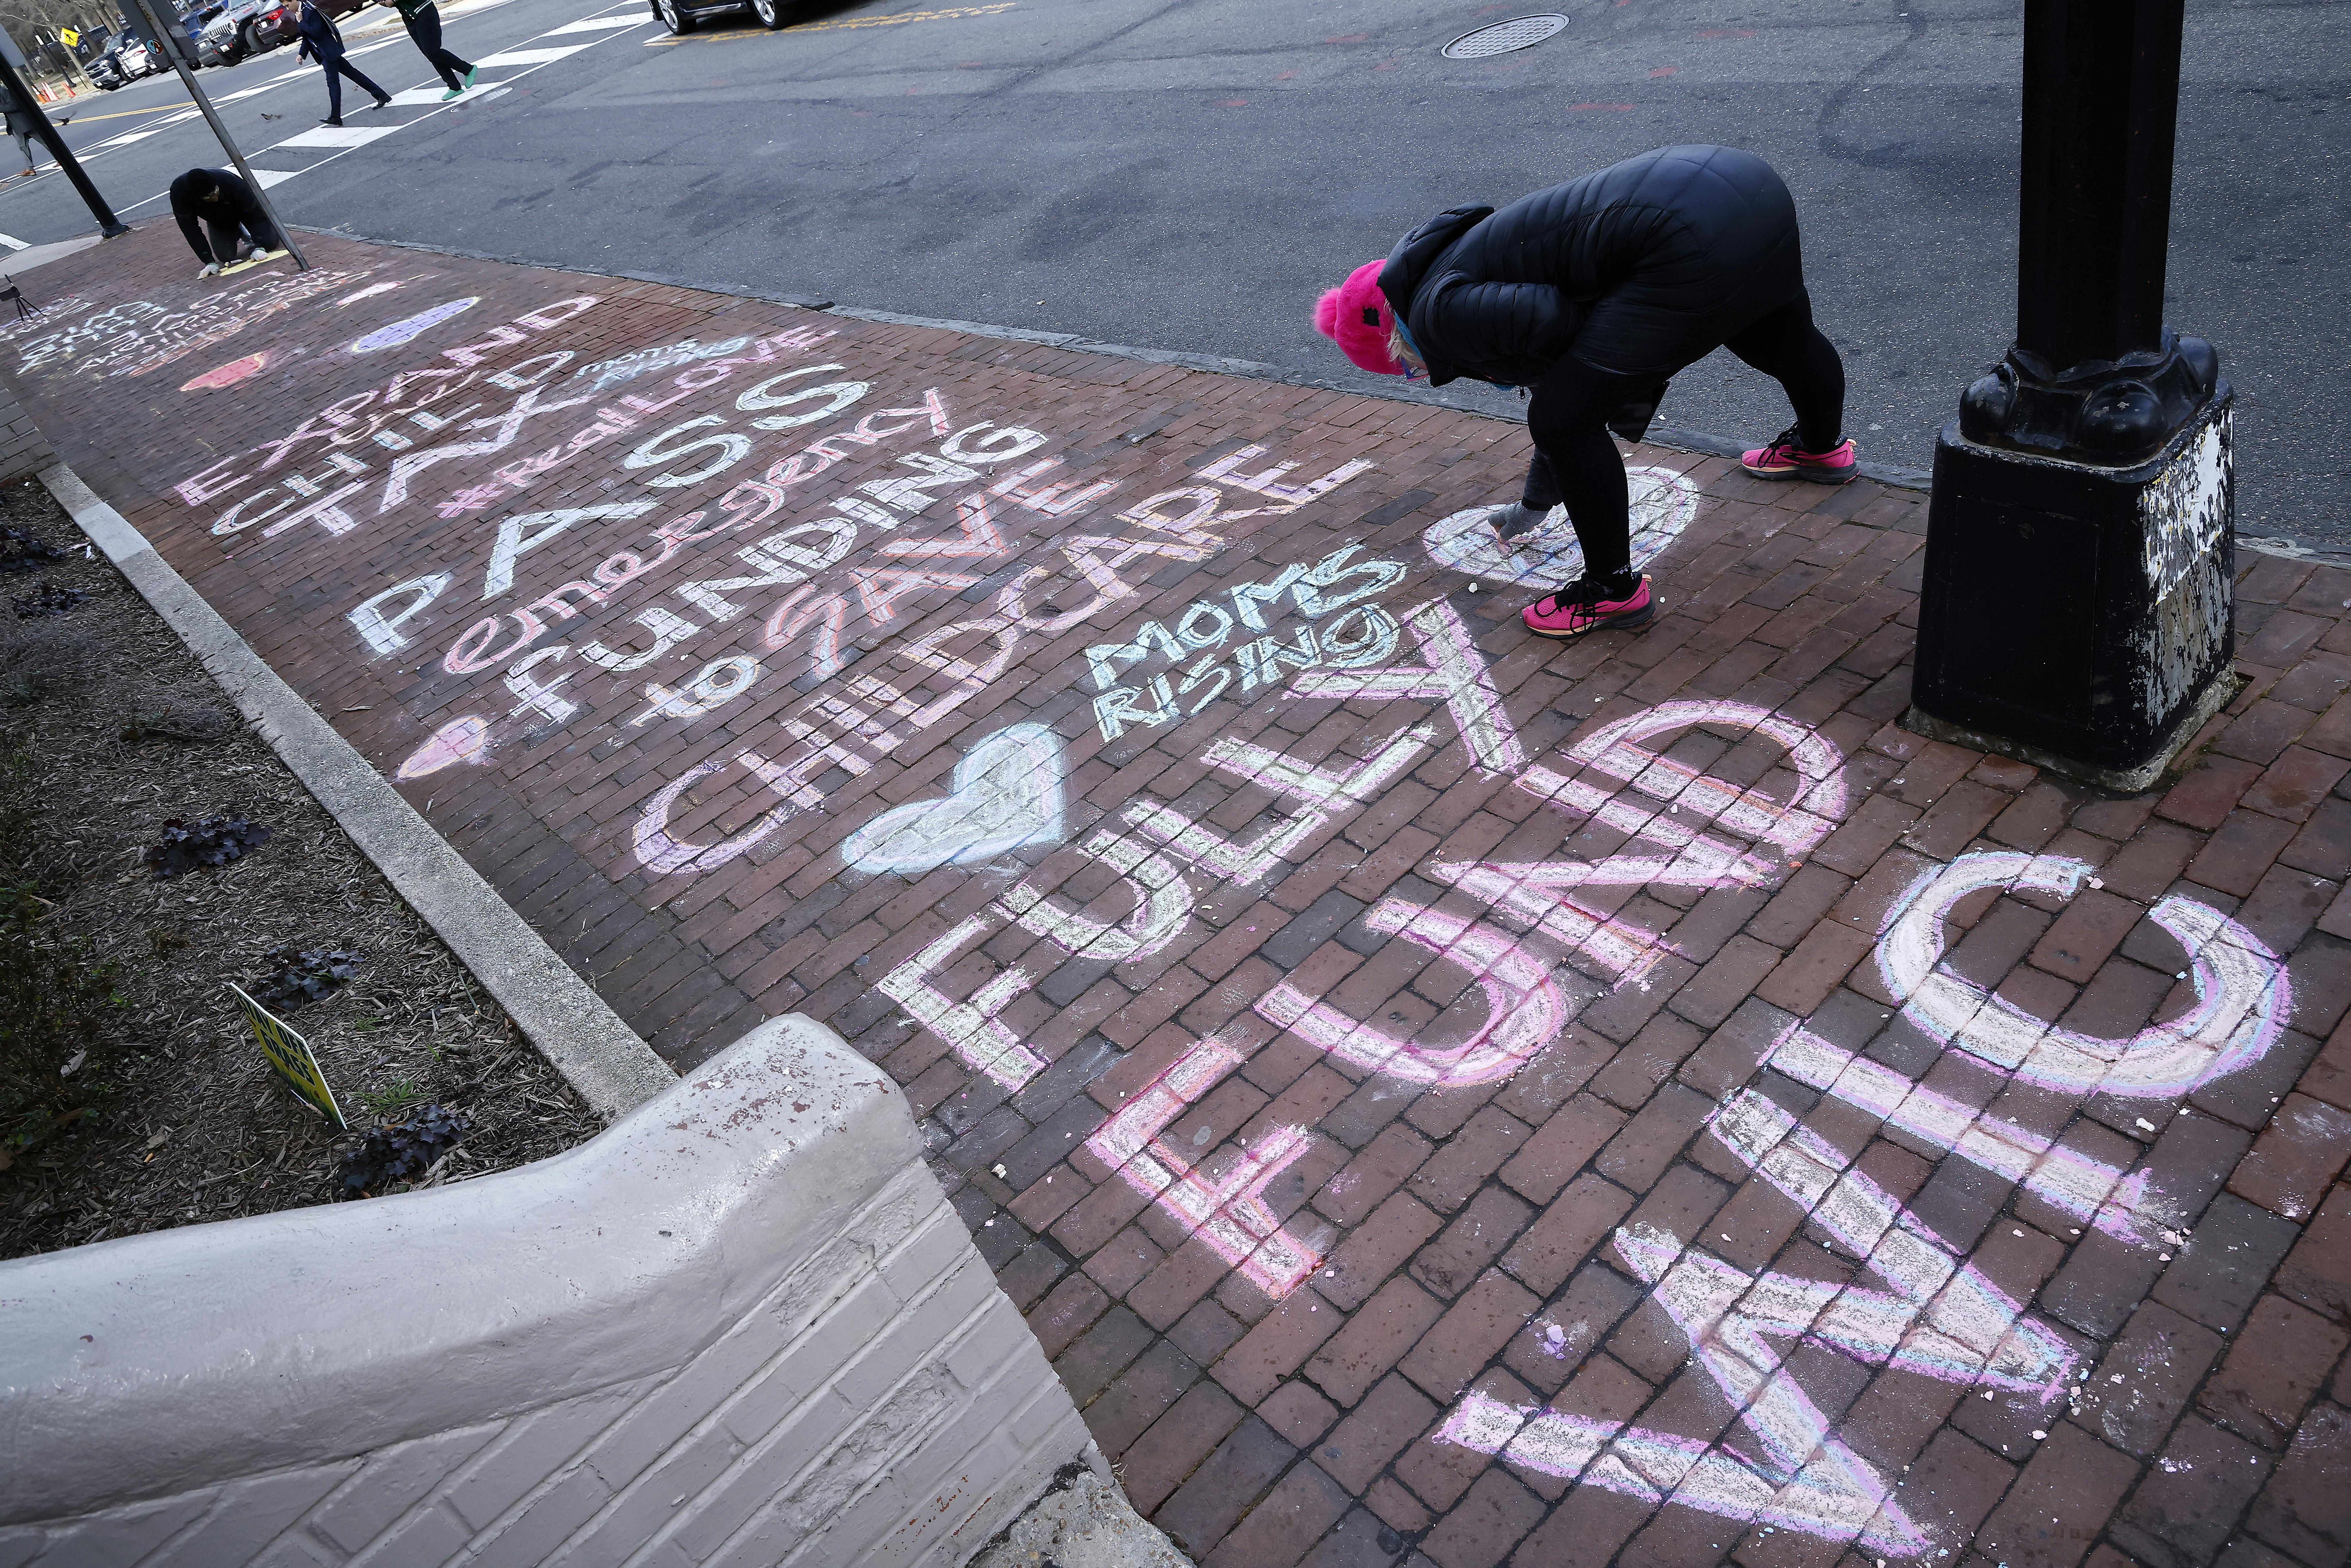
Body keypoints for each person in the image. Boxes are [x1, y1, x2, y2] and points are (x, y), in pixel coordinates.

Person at [1315, 145, 1855, 644]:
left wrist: (1606, 401)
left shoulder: (1440, 316)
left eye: (1405, 371)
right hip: (1744, 185)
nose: (1418, 373)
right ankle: (1820, 446)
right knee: (1775, 332)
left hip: (1681, 236)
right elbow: (1573, 358)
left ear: (1394, 346)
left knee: (1563, 420)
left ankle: (1611, 590)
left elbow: (1568, 362)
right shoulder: (1447, 260)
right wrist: (1540, 494)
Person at [170, 168, 283, 277]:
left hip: (244, 211)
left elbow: (256, 214)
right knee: (225, 256)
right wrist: (208, 261)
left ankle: (249, 232)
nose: (215, 199)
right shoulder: (180, 195)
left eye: (216, 192)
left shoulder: (231, 182)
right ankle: (238, 230)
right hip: (218, 219)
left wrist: (261, 246)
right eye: (209, 198)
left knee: (271, 243)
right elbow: (190, 230)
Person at [297, 0, 391, 126]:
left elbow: (316, 32)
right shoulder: (300, 14)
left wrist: (301, 22)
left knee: (333, 83)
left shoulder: (310, 11)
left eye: (287, 5)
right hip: (326, 53)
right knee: (354, 74)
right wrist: (302, 54)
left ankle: (336, 116)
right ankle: (382, 95)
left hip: (328, 53)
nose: (287, 8)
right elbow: (308, 38)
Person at [386, 0, 476, 101]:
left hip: (424, 12)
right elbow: (391, 4)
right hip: (410, 19)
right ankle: (454, 86)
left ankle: (468, 69)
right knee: (430, 54)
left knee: (433, 51)